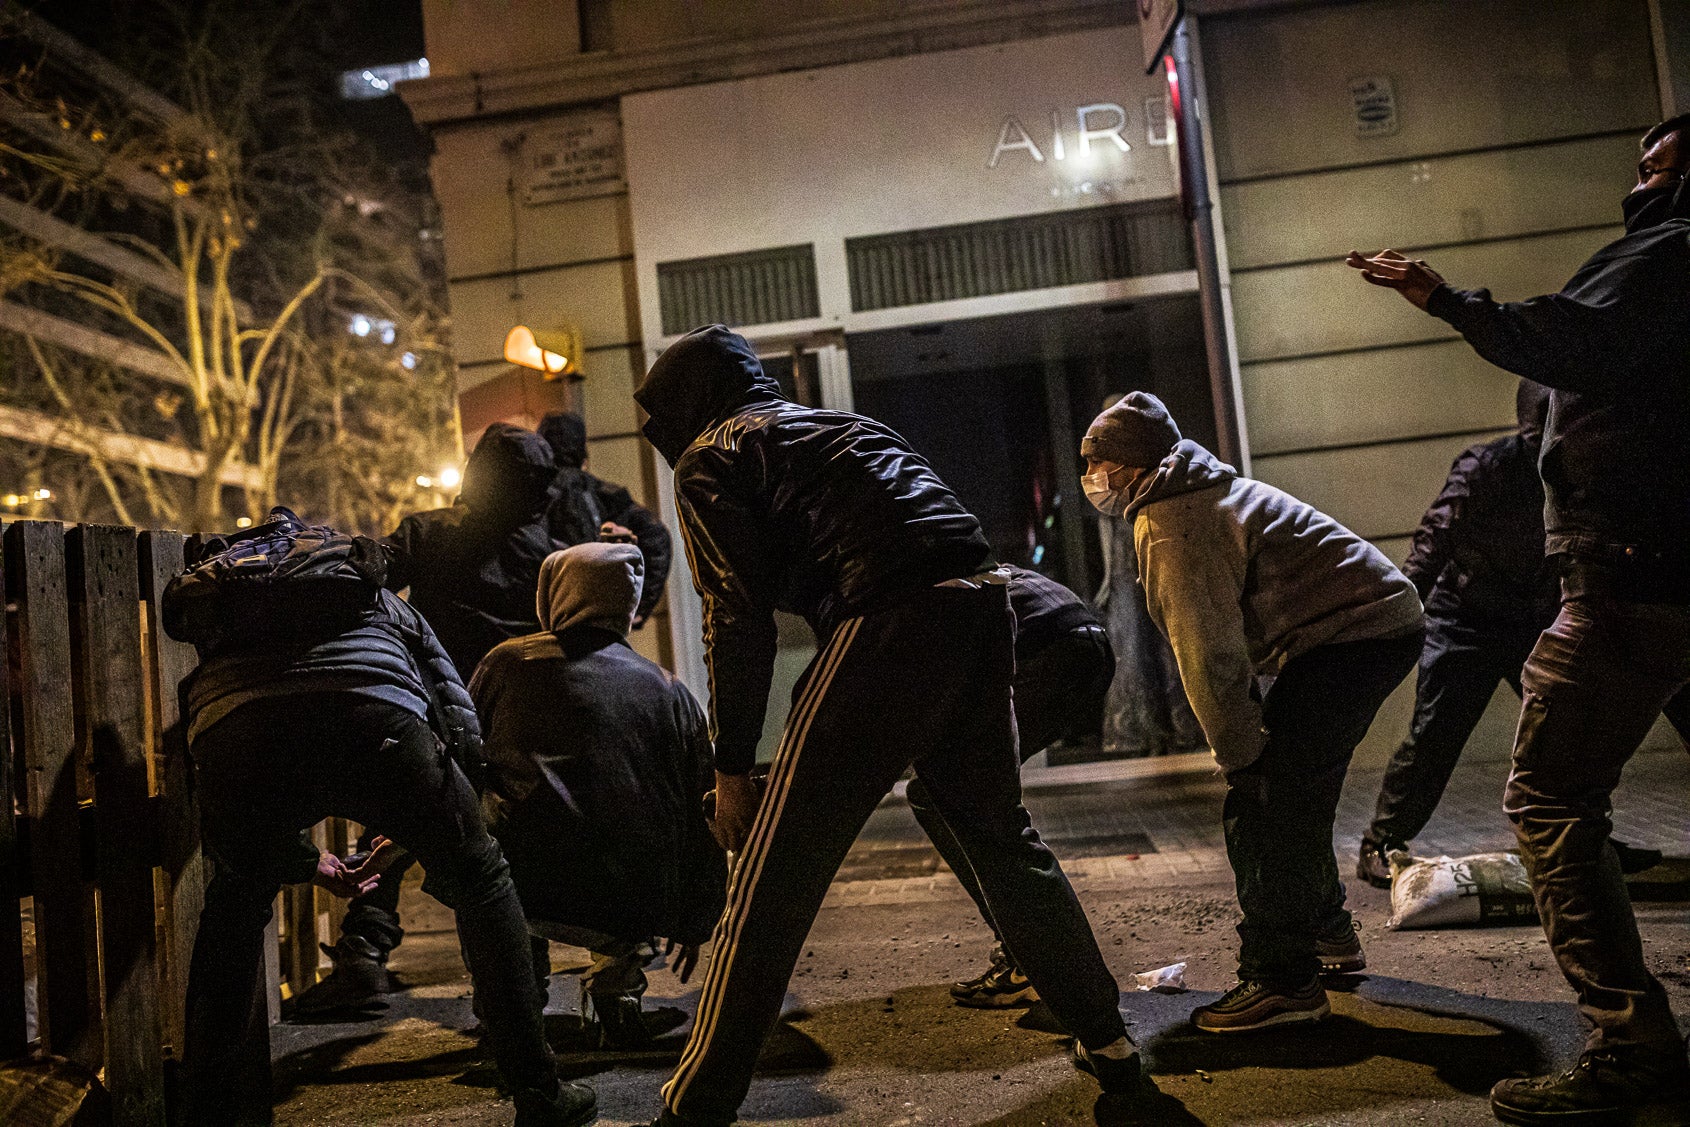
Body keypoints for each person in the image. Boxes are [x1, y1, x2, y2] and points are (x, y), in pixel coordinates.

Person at [635, 324, 1150, 1127]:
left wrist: (731, 765)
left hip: (886, 618)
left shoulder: (713, 455)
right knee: (1003, 839)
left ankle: (694, 1106)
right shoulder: (847, 424)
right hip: (983, 604)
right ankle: (1111, 1042)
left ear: (683, 405)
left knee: (775, 875)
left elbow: (734, 616)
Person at [1347, 114, 1690, 1126]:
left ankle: (1632, 1044)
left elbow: (1576, 335)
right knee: (1460, 740)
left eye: (1659, 160)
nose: (1640, 173)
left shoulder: (1667, 251)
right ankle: (1385, 835)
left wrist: (1444, 297)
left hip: (1632, 574)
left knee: (1545, 795)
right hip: (1599, 587)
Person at [166, 507, 595, 1127]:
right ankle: (537, 1089)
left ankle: (204, 1110)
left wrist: (307, 862)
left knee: (235, 904)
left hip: (240, 736)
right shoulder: (370, 594)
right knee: (482, 880)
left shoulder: (230, 605)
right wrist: (452, 809)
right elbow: (450, 700)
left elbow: (225, 743)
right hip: (378, 724)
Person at [1081, 392, 1424, 1034]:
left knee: (1265, 802)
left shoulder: (1176, 518)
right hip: (1369, 628)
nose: (1092, 478)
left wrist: (1240, 755)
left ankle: (1280, 980)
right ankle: (1325, 935)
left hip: (1349, 636)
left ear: (1132, 465)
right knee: (1297, 791)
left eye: (1098, 462)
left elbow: (1208, 652)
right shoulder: (1195, 491)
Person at [297, 422, 562, 1016]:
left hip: (436, 708)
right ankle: (521, 982)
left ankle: (364, 955)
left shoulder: (430, 533)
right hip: (516, 717)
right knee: (507, 846)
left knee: (399, 823)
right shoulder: (546, 549)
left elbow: (367, 577)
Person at [470, 542, 726, 1049]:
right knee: (632, 821)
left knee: (494, 824)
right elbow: (702, 804)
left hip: (528, 882)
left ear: (552, 594)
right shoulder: (668, 689)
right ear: (626, 608)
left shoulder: (506, 663)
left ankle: (514, 1006)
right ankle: (619, 995)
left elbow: (459, 751)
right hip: (629, 893)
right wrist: (699, 913)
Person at [1356, 381, 1558, 886]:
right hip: (1464, 617)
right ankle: (1381, 843)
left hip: (1533, 615)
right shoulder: (1486, 466)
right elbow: (1434, 539)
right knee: (1436, 734)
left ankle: (1577, 836)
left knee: (1562, 730)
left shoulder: (1576, 465)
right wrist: (1401, 611)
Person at [906, 565, 1116, 1009]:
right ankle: (1039, 958)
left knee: (946, 794)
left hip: (1050, 650)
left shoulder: (892, 595)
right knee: (952, 793)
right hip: (1085, 641)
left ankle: (1034, 959)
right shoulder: (944, 550)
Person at [538, 410, 673, 628]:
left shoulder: (536, 496)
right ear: (583, 454)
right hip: (599, 621)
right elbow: (657, 537)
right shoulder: (606, 494)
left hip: (550, 620)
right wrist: (637, 608)